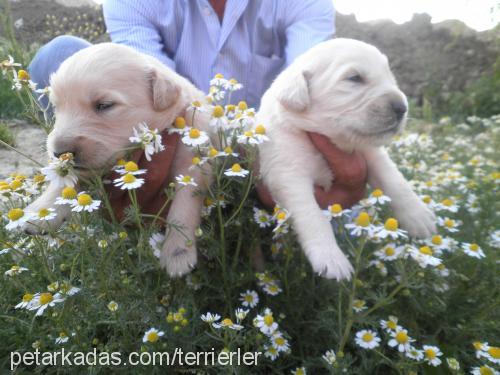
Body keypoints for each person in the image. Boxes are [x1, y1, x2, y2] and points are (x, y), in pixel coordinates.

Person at [28, 0, 367, 219]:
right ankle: (101, 193)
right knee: (59, 55)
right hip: (172, 141)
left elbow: (315, 83)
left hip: (266, 149)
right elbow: (155, 90)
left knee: (339, 225)